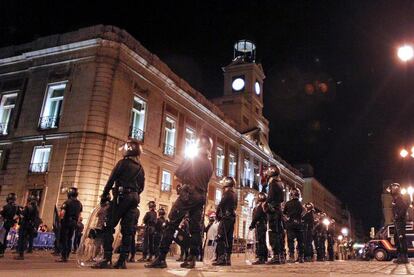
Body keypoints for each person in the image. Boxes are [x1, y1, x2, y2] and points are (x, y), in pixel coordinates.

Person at [146, 134, 213, 269]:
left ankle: (161, 258)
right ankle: (192, 258)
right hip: (201, 197)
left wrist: (183, 185)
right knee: (195, 228)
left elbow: (178, 173)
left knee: (171, 224)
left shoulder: (193, 157)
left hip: (188, 194)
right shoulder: (210, 164)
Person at [93, 139, 145, 269]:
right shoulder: (140, 168)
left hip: (122, 197)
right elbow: (142, 187)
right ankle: (122, 261)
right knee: (127, 231)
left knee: (108, 226)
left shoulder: (122, 163)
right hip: (134, 198)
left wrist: (105, 195)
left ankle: (107, 258)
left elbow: (111, 180)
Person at [262, 165, 285, 264]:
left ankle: (276, 256)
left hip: (273, 210)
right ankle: (281, 255)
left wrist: (266, 204)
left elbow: (270, 196)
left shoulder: (273, 183)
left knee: (273, 233)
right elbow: (281, 199)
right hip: (278, 209)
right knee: (279, 233)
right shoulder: (280, 183)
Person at [212, 177, 237, 266]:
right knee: (229, 238)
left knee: (221, 236)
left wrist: (218, 215)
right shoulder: (234, 194)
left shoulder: (227, 193)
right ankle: (227, 258)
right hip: (232, 218)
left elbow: (221, 205)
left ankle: (221, 258)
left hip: (226, 218)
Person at [56, 187, 83, 262]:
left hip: (66, 222)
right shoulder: (79, 203)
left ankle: (63, 256)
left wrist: (59, 221)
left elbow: (62, 213)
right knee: (70, 239)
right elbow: (79, 215)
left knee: (64, 239)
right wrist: (76, 223)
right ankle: (67, 255)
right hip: (74, 223)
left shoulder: (67, 202)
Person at [388, 183, 409, 264]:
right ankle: (400, 256)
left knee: (401, 238)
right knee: (397, 238)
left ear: (395, 189)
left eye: (392, 189)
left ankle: (404, 257)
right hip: (397, 221)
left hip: (400, 221)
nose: (391, 191)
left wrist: (397, 216)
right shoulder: (395, 199)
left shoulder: (399, 199)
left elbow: (404, 208)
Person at [15, 195, 39, 260]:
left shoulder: (28, 207)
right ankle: (26, 250)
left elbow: (22, 216)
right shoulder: (36, 208)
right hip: (31, 225)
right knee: (27, 239)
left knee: (22, 239)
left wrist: (19, 211)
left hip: (25, 224)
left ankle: (21, 254)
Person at [284, 188, 304, 263]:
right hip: (299, 223)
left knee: (290, 240)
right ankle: (301, 257)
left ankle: (292, 256)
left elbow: (284, 213)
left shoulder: (288, 203)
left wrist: (288, 218)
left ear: (291, 195)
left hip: (290, 223)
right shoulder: (300, 204)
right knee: (300, 241)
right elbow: (302, 213)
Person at [249, 192, 268, 264]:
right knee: (263, 241)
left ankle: (261, 258)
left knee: (259, 241)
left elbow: (256, 217)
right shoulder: (265, 206)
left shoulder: (260, 207)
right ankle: (264, 257)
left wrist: (252, 225)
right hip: (263, 225)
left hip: (259, 225)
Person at [0, 193, 18, 258]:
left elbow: (1, 214)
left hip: (4, 223)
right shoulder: (16, 207)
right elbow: (18, 216)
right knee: (4, 237)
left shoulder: (6, 206)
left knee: (2, 238)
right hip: (9, 224)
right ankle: (2, 251)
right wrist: (13, 221)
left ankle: (1, 252)